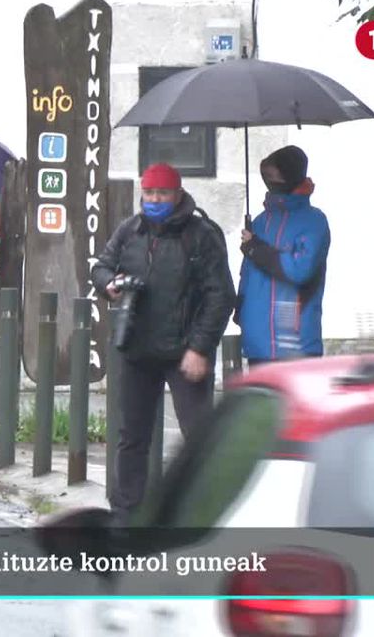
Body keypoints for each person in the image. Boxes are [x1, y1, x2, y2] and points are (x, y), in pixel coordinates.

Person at [90, 163, 235, 522]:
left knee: (199, 439)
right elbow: (101, 265)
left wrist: (200, 348)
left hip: (184, 352)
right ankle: (126, 515)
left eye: (162, 193)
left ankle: (205, 515)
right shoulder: (130, 230)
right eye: (149, 193)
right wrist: (109, 283)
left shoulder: (202, 235)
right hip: (137, 349)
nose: (154, 200)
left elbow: (221, 296)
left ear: (178, 193)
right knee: (132, 437)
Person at [235, 145, 331, 366]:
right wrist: (241, 310)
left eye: (274, 175)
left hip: (296, 340)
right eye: (266, 176)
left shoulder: (314, 221)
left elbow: (299, 270)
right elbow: (247, 276)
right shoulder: (260, 221)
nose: (270, 181)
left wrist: (255, 249)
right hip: (258, 340)